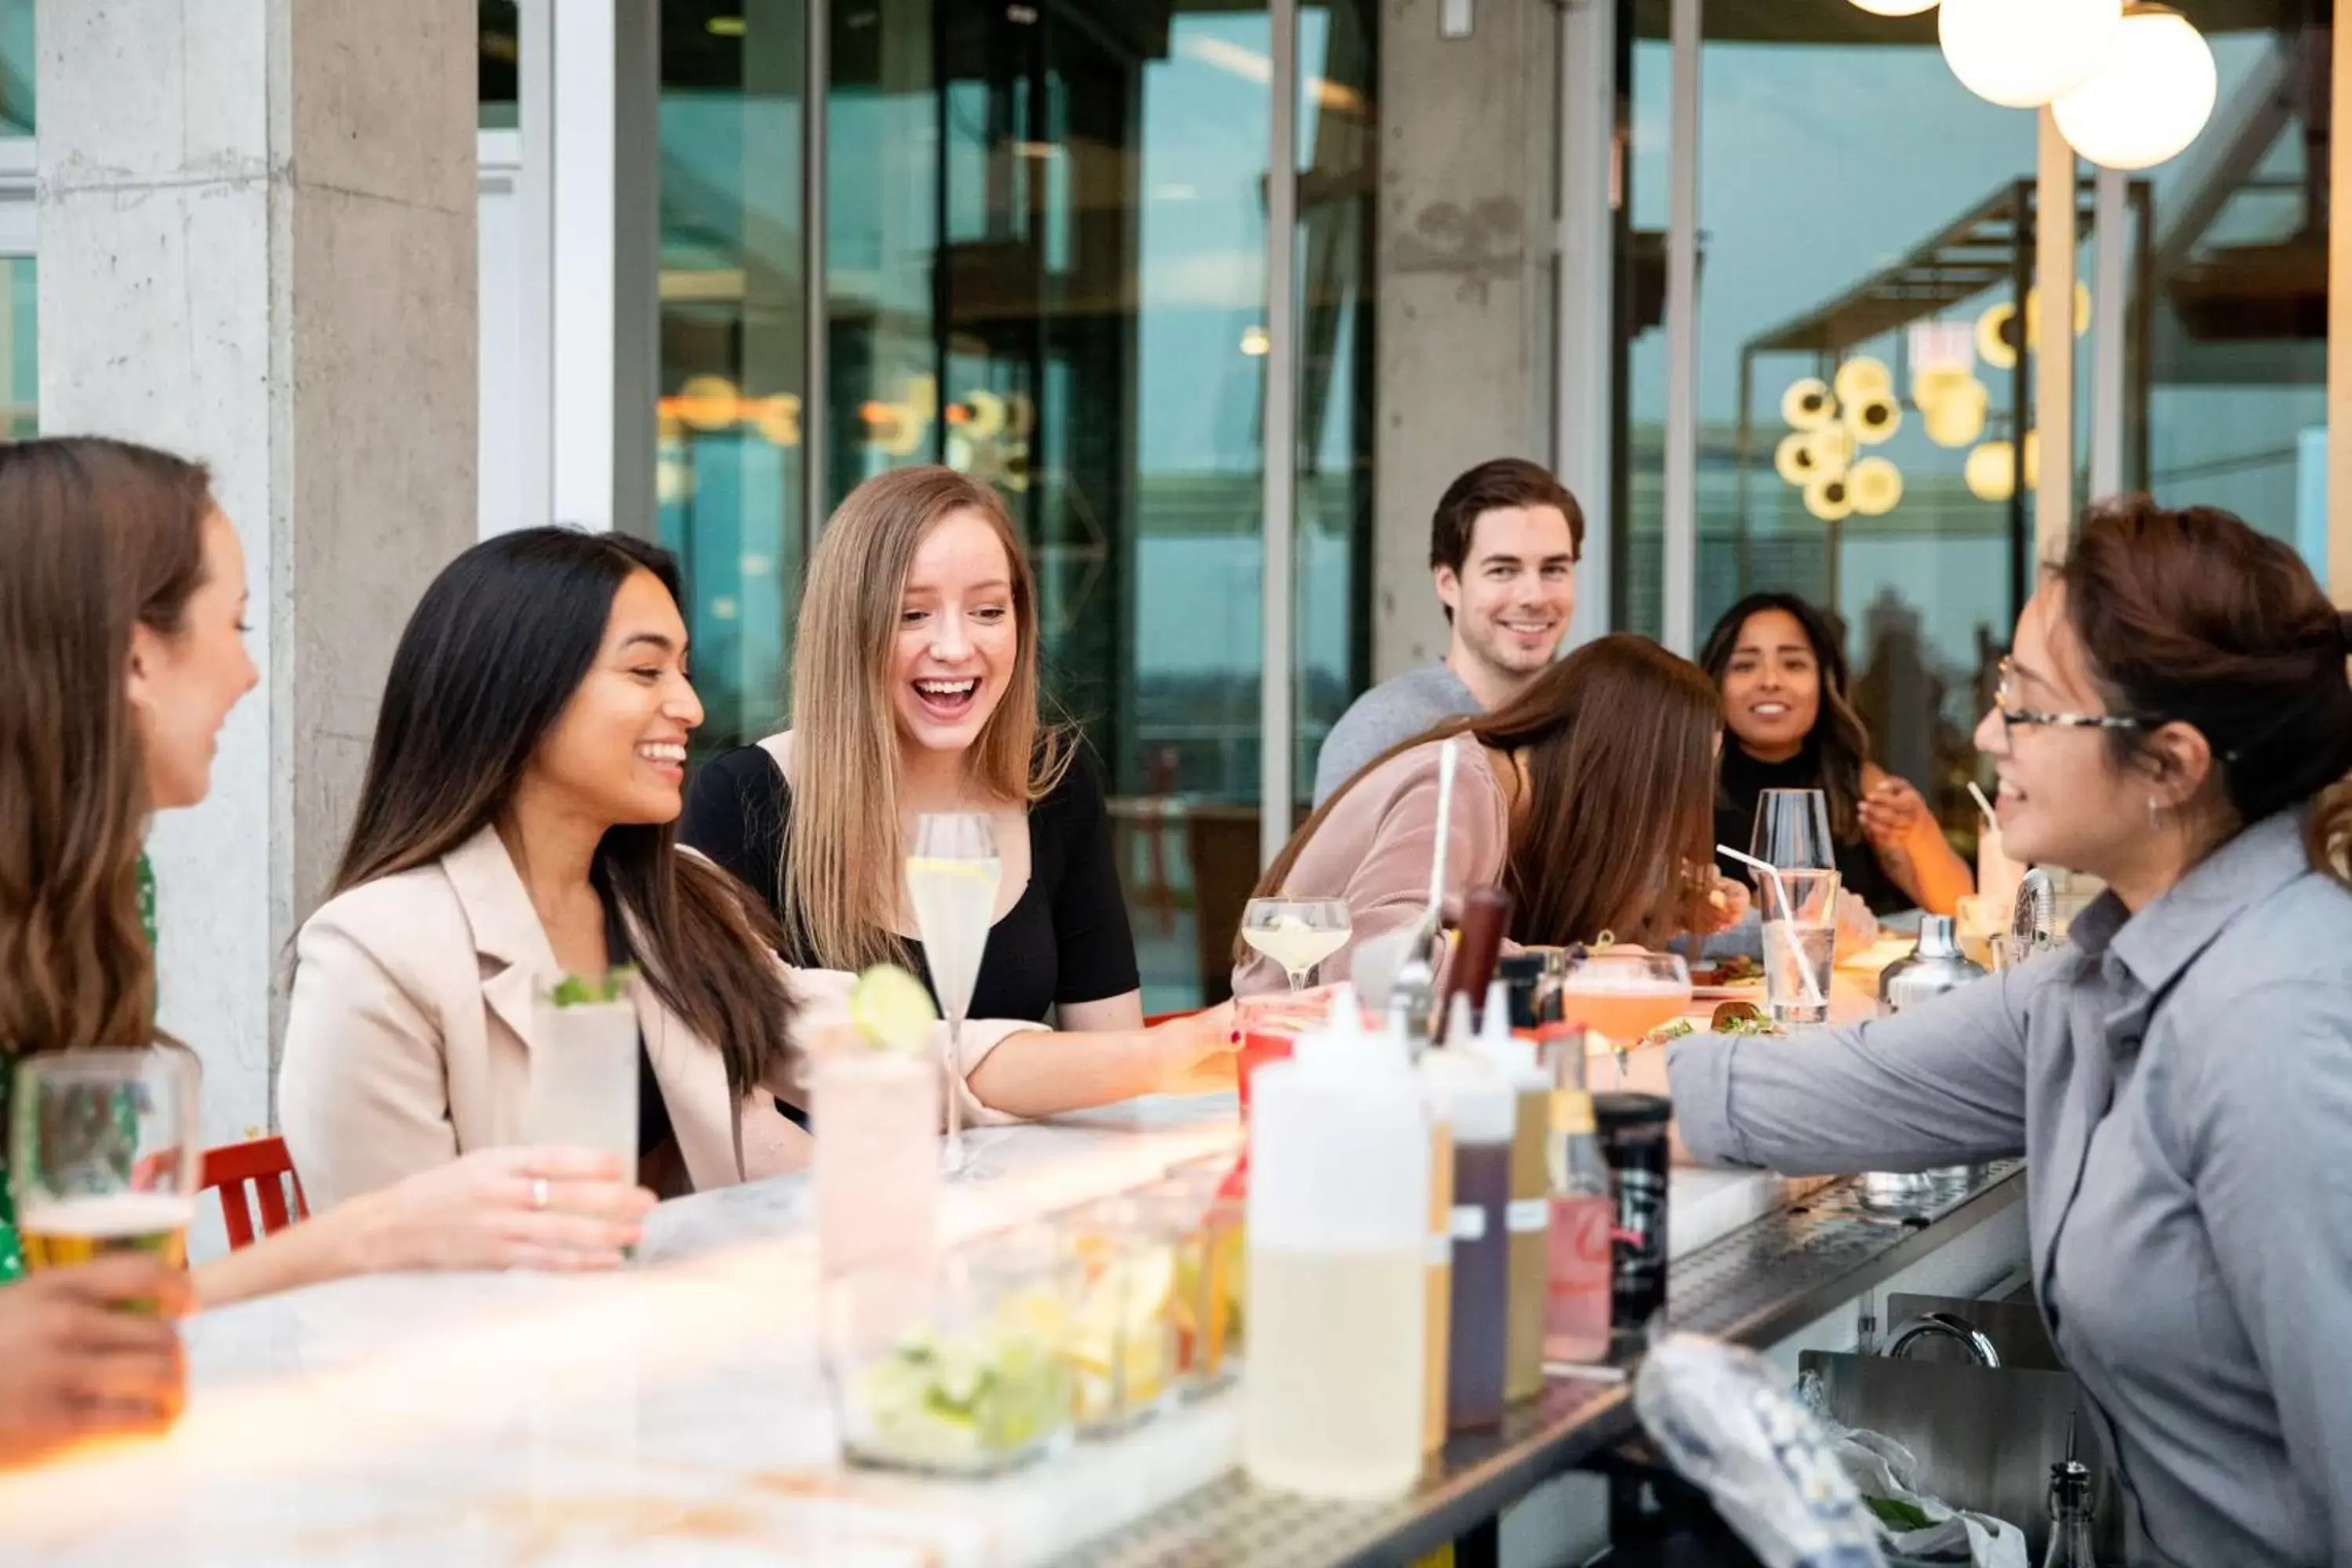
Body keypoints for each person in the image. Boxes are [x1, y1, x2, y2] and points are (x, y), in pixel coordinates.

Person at [1664, 498, 2352, 1566]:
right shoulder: (2098, 979)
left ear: (2169, 765)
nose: (1987, 735)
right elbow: (1823, 1089)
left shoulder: (2275, 1031)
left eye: (2027, 707)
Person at [0, 439, 651, 1466]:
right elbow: (57, 1347)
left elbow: (113, 1329)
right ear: (135, 658)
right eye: (238, 624)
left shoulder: (108, 885)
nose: (252, 670)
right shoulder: (380, 938)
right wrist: (375, 1232)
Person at [279, 529, 821, 1212]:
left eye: (684, 670)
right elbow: (397, 1269)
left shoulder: (678, 898)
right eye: (645, 672)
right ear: (521, 691)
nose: (690, 707)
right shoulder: (374, 952)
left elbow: (842, 1036)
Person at [684, 466, 1236, 1118]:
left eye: (988, 612)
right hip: (829, 1198)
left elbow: (1110, 1062)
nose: (955, 646)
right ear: (848, 629)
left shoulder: (1053, 781)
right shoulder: (745, 798)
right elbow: (722, 1106)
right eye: (912, 614)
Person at [1238, 634, 1744, 997]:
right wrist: (1575, 970)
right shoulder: (1457, 783)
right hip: (1284, 1051)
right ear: (1625, 768)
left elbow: (1519, 943)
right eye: (1675, 784)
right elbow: (1375, 960)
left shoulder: (1524, 806)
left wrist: (1660, 907)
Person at [1311, 459, 1583, 806]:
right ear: (1448, 583)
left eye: (1554, 569)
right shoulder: (1384, 733)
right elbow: (1337, 862)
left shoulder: (1596, 729)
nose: (1534, 597)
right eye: (1503, 570)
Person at [1700, 592, 1973, 918]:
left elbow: (1958, 906)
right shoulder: (1686, 788)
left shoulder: (1859, 784)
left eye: (1793, 664)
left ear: (1824, 681)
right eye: (1745, 665)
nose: (1770, 681)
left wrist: (1918, 831)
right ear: (1715, 682)